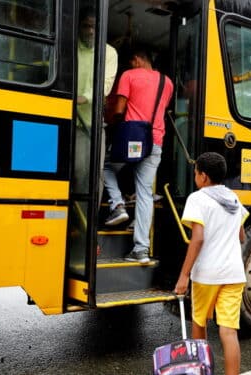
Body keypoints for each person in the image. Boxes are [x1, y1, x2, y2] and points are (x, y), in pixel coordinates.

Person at [174, 152, 248, 375]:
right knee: (228, 331)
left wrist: (183, 276)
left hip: (207, 274)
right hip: (234, 274)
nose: (195, 177)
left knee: (199, 324)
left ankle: (201, 372)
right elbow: (242, 236)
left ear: (203, 176)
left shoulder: (197, 198)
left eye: (196, 173)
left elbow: (197, 239)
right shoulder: (233, 198)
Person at [102, 47, 173, 263]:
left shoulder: (128, 75)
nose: (130, 65)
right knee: (145, 193)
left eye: (131, 61)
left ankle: (117, 205)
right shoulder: (167, 82)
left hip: (134, 141)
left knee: (104, 166)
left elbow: (118, 110)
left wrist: (112, 124)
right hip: (156, 141)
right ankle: (141, 249)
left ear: (137, 59)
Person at [74, 5, 118, 195]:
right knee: (74, 171)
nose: (90, 31)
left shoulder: (109, 53)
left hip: (92, 124)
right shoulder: (70, 46)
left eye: (94, 27)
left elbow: (104, 86)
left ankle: (88, 222)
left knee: (93, 174)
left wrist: (82, 98)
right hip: (67, 120)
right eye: (86, 26)